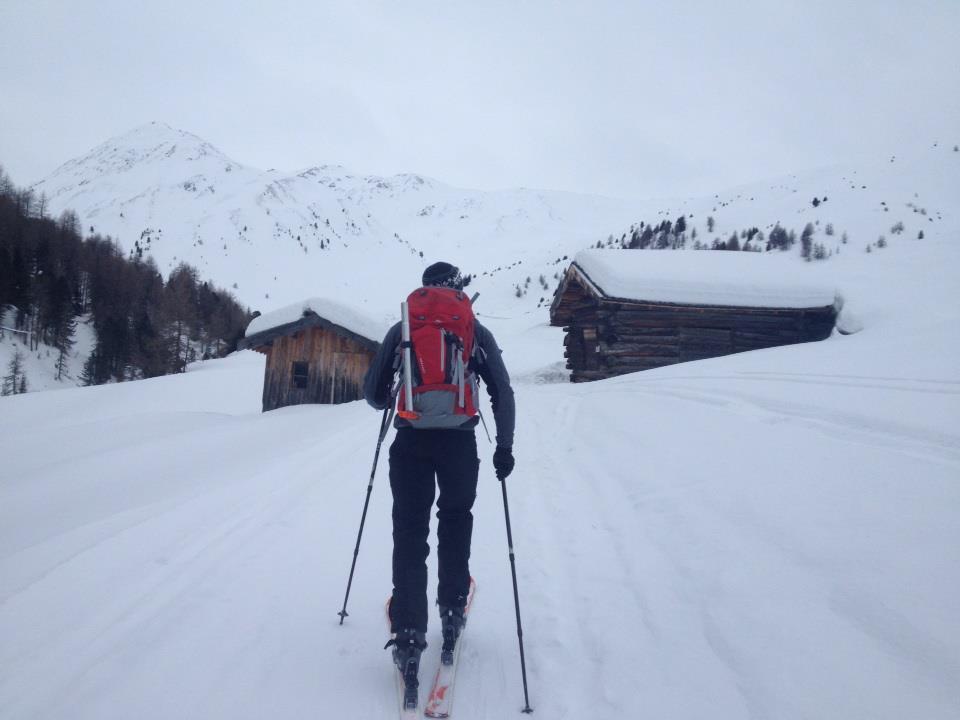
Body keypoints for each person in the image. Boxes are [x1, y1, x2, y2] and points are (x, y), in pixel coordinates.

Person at [363, 261, 515, 686]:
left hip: (410, 443)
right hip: (459, 446)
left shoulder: (405, 329)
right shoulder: (474, 331)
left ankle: (409, 636)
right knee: (454, 522)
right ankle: (451, 614)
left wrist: (399, 391)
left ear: (425, 289)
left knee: (410, 534)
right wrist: (504, 447)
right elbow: (502, 391)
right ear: (457, 290)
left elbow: (374, 395)